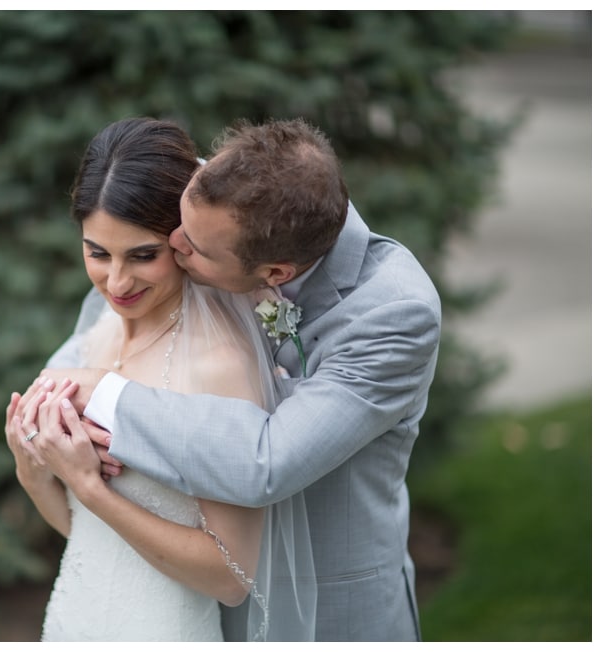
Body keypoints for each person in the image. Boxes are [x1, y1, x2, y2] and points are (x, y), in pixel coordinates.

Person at [39, 118, 441, 641]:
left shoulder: (392, 315)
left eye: (192, 252)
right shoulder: (211, 202)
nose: (176, 245)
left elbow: (267, 462)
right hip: (176, 604)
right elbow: (114, 311)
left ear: (276, 273)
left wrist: (105, 394)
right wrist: (52, 403)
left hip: (324, 615)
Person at [5, 117, 315, 641]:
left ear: (183, 241)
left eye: (143, 255)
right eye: (97, 253)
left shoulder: (218, 364)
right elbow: (92, 543)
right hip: (71, 622)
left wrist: (87, 485)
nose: (117, 282)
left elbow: (232, 577)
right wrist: (32, 469)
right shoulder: (99, 332)